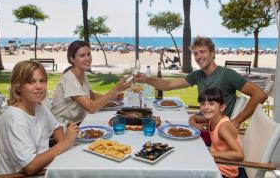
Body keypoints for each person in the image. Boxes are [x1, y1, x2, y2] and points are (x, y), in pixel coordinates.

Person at [134, 36, 267, 128]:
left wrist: (237, 121)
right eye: (196, 53)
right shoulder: (198, 75)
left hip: (216, 130)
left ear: (212, 53)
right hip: (203, 122)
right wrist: (147, 79)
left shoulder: (227, 75)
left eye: (202, 52)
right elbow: (169, 85)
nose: (198, 57)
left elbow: (260, 95)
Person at [0, 60, 79, 175]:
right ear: (18, 87)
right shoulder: (14, 118)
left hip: (44, 167)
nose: (39, 86)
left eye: (42, 81)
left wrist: (65, 143)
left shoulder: (38, 106)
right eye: (31, 82)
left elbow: (55, 127)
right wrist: (64, 143)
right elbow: (30, 166)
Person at [51, 40, 131, 124]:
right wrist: (115, 90)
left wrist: (113, 97)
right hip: (62, 129)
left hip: (78, 123)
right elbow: (91, 108)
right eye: (82, 55)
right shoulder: (69, 79)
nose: (88, 58)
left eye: (89, 54)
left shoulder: (82, 74)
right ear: (72, 59)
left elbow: (92, 95)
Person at [189, 87, 244, 178]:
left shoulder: (223, 128)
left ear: (222, 107)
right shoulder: (212, 119)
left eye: (211, 104)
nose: (206, 107)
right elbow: (193, 118)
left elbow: (239, 154)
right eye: (203, 104)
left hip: (223, 172)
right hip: (213, 163)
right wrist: (194, 125)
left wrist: (210, 153)